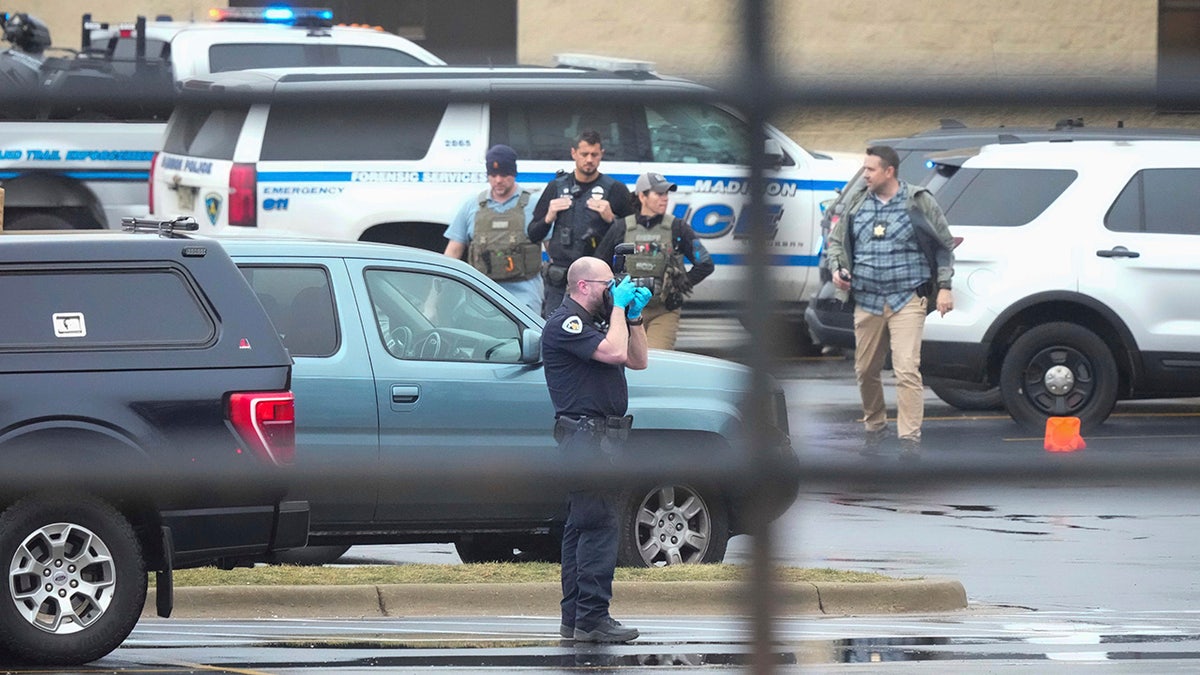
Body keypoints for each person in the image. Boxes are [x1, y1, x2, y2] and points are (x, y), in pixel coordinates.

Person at [541, 256, 651, 643]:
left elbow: (638, 360)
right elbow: (615, 354)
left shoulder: (597, 325)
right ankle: (592, 618)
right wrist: (619, 308)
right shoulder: (565, 323)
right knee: (599, 528)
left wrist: (633, 317)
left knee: (582, 528)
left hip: (601, 439)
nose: (614, 289)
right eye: (609, 284)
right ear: (584, 286)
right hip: (585, 440)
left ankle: (575, 618)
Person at [824, 145, 955, 460]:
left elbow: (943, 245)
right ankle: (875, 427)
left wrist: (945, 287)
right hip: (867, 298)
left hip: (907, 297)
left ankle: (909, 440)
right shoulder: (856, 203)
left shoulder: (918, 201)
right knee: (865, 369)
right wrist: (837, 270)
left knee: (907, 369)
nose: (865, 175)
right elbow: (836, 244)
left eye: (870, 170)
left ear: (889, 171)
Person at [596, 171, 714, 350]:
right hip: (627, 310)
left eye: (666, 194)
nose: (665, 198)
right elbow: (599, 265)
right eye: (659, 194)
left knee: (656, 362)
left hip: (664, 311)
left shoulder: (678, 227)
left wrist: (682, 284)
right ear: (642, 196)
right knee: (625, 361)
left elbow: (705, 264)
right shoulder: (621, 228)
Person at [529, 130, 634, 317]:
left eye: (594, 154)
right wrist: (548, 217)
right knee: (553, 333)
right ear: (573, 153)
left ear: (601, 153)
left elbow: (634, 236)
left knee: (594, 338)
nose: (589, 160)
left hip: (597, 282)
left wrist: (612, 219)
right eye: (584, 154)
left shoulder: (615, 189)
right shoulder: (556, 187)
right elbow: (532, 234)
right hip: (559, 282)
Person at [442, 144, 543, 313]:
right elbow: (452, 252)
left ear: (514, 173)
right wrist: (435, 297)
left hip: (524, 299)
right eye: (493, 175)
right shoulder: (471, 206)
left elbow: (553, 250)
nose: (498, 180)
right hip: (481, 298)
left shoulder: (534, 205)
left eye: (504, 175)